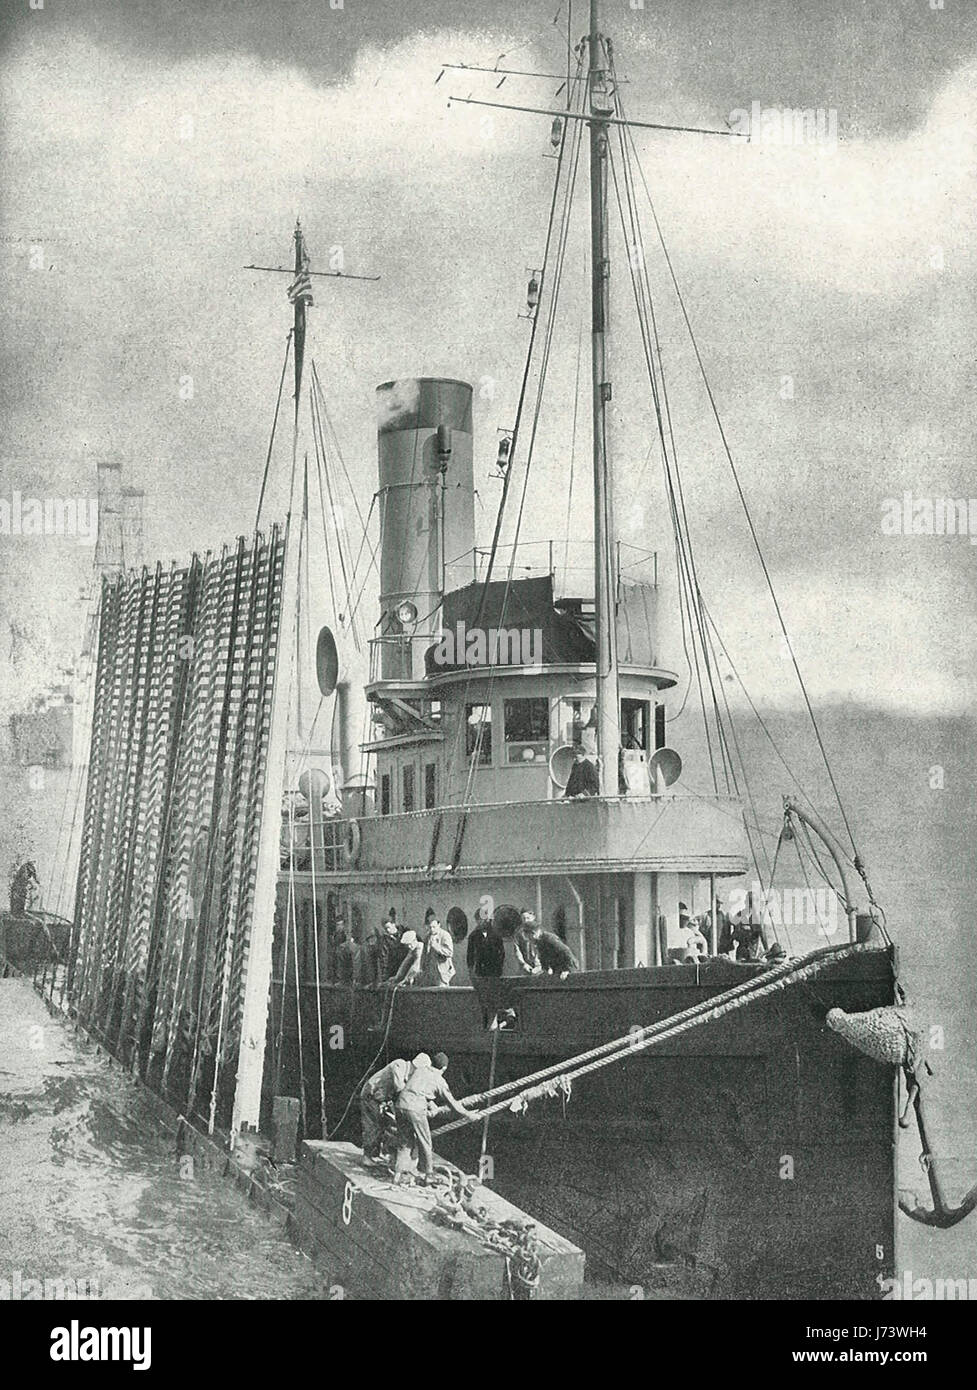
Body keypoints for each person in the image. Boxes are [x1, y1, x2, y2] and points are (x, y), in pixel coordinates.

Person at [393, 1052, 477, 1183]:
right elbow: (453, 1103)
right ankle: (429, 1175)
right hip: (416, 1109)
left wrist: (432, 1105)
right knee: (425, 1141)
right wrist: (469, 1114)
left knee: (405, 1141)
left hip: (400, 1105)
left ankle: (398, 1174)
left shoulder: (420, 1070)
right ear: (444, 1069)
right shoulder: (440, 1080)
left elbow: (415, 1088)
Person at [359, 1056, 411, 1160]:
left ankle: (377, 1154)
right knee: (373, 1126)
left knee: (384, 1125)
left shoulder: (407, 1072)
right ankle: (367, 1157)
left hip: (381, 1099)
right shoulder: (399, 1064)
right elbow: (399, 1087)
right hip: (371, 1096)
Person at [466, 911, 505, 978]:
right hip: (480, 970)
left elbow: (501, 952)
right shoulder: (473, 936)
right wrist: (470, 969)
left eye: (484, 919)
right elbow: (470, 954)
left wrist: (499, 966)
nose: (482, 922)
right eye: (479, 920)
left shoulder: (496, 934)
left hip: (495, 970)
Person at [422, 915, 455, 987]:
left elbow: (450, 952)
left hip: (441, 973)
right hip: (429, 973)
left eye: (434, 927)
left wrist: (437, 947)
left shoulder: (445, 935)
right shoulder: (427, 937)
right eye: (430, 927)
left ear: (439, 925)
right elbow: (424, 954)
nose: (432, 929)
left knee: (441, 994)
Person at [370, 917, 404, 983]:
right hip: (393, 970)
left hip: (405, 967)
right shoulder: (384, 941)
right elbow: (384, 958)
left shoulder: (404, 933)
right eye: (385, 929)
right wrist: (384, 977)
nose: (388, 930)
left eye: (389, 927)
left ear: (393, 924)